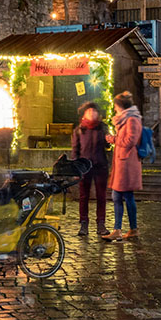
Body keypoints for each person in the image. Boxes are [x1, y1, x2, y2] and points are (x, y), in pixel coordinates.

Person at [103, 92, 142, 241]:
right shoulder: (126, 119)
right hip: (122, 163)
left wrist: (113, 139)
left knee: (126, 196)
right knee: (118, 195)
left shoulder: (132, 120)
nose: (114, 109)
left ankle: (130, 229)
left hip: (127, 164)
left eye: (115, 106)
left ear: (120, 106)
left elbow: (130, 141)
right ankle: (120, 229)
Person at [70, 101, 110, 238]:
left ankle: (101, 223)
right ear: (84, 114)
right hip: (84, 167)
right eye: (89, 112)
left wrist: (109, 141)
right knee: (84, 196)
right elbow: (75, 151)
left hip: (100, 166)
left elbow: (108, 147)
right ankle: (84, 223)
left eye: (94, 111)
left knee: (101, 196)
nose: (92, 114)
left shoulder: (103, 128)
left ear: (98, 114)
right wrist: (76, 169)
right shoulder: (79, 130)